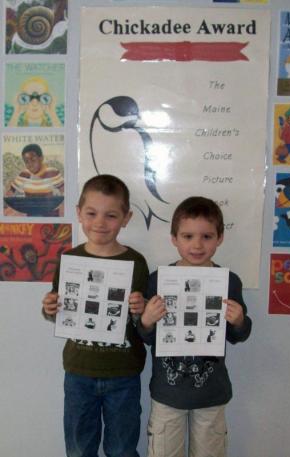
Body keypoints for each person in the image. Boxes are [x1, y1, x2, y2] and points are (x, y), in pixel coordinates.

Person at [42, 174, 149, 457]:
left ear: (126, 218)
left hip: (124, 373)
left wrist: (141, 309)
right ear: (79, 213)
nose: (100, 222)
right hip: (79, 371)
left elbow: (142, 321)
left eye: (111, 215)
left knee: (123, 448)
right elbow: (58, 309)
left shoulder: (136, 262)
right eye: (91, 213)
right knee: (79, 447)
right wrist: (50, 308)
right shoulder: (69, 260)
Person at [138, 196, 252, 457]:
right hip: (168, 393)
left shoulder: (229, 282)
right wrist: (146, 320)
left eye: (206, 236)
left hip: (212, 394)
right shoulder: (158, 280)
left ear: (220, 238)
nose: (197, 245)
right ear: (174, 238)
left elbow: (240, 335)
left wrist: (239, 320)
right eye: (188, 236)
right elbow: (144, 335)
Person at [5, 143, 64, 216]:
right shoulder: (24, 174)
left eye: (33, 160)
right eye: (26, 161)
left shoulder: (52, 172)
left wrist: (62, 205)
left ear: (41, 158)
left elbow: (63, 190)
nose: (30, 164)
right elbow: (10, 192)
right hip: (31, 212)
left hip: (50, 211)